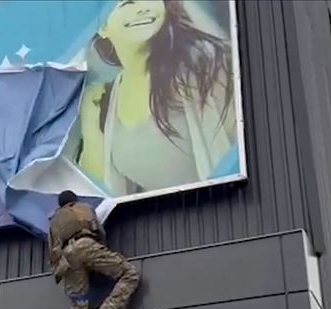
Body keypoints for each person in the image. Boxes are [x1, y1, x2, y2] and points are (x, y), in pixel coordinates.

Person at [77, 0, 238, 196]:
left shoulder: (205, 66)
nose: (143, 7)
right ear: (101, 26)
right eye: (127, 3)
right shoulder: (105, 101)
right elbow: (95, 195)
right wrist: (91, 132)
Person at [48, 190, 140, 309]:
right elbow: (100, 233)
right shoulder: (85, 208)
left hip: (68, 259)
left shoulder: (54, 221)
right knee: (129, 274)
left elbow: (52, 251)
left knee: (79, 304)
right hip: (87, 246)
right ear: (74, 201)